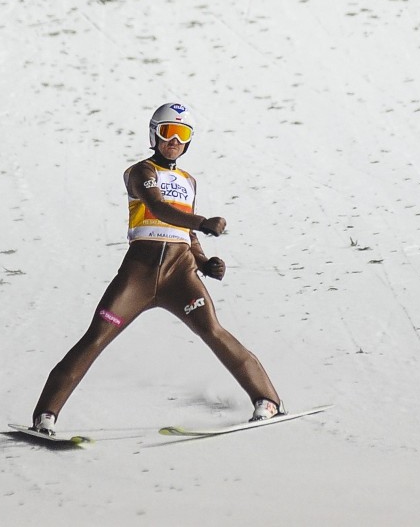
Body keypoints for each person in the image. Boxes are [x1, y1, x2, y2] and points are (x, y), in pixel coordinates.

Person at [30, 102, 283, 435]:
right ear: (154, 134)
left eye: (182, 134)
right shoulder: (140, 173)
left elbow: (186, 234)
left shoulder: (189, 181)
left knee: (214, 331)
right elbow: (158, 208)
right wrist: (202, 221)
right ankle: (45, 415)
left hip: (180, 274)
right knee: (96, 338)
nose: (174, 140)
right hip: (139, 272)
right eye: (167, 132)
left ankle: (267, 401)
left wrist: (205, 262)